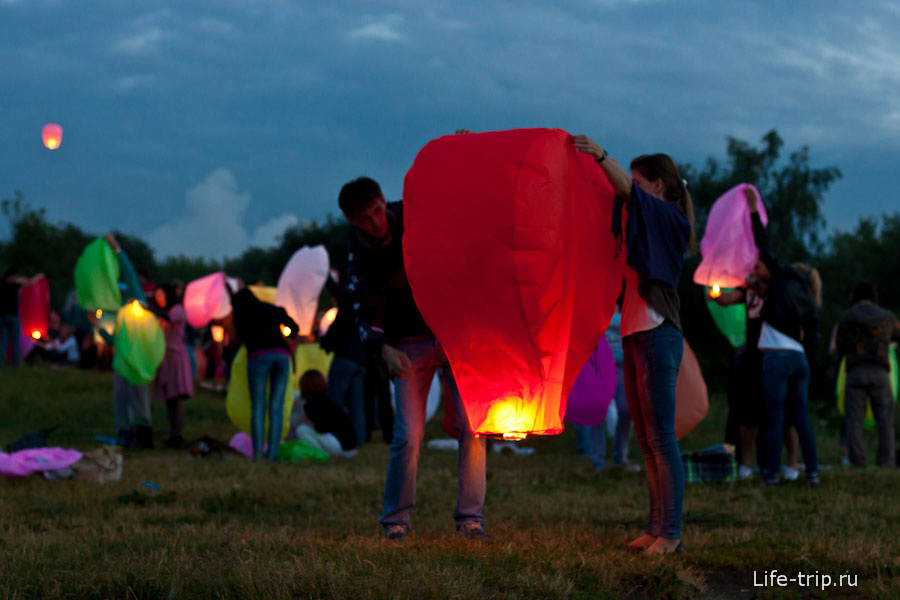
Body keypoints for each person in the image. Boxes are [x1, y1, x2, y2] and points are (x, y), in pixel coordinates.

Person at [339, 175, 488, 541]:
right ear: (352, 222)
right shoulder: (357, 253)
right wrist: (382, 347)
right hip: (407, 343)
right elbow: (360, 306)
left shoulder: (414, 214)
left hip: (450, 332)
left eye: (377, 212)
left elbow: (456, 206)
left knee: (474, 425)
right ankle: (396, 521)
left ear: (384, 201)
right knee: (408, 433)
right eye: (365, 219)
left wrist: (463, 158)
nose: (376, 223)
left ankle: (471, 518)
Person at [572, 136, 693, 555]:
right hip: (635, 336)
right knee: (646, 440)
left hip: (659, 334)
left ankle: (671, 533)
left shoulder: (669, 219)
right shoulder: (644, 220)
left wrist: (602, 157)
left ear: (657, 186)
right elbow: (617, 202)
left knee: (661, 439)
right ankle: (656, 528)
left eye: (641, 183)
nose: (633, 191)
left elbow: (625, 191)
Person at [745, 187, 820, 487]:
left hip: (776, 357)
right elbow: (813, 331)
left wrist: (753, 209)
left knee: (774, 415)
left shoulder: (781, 276)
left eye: (760, 267)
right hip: (800, 359)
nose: (757, 268)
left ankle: (771, 476)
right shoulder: (804, 296)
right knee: (801, 417)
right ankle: (812, 474)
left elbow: (763, 243)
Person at [835, 281, 900, 468]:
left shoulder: (847, 317)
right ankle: (886, 462)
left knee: (853, 420)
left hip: (856, 372)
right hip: (880, 373)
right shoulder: (887, 316)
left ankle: (857, 462)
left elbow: (839, 347)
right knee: (885, 421)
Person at [230, 286, 298, 461]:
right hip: (282, 356)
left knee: (258, 407)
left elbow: (238, 339)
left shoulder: (243, 314)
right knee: (276, 408)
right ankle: (273, 453)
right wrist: (285, 337)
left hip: (258, 357)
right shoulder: (272, 309)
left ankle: (259, 453)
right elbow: (294, 327)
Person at [321, 272, 370, 446]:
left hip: (345, 358)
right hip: (361, 360)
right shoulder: (368, 305)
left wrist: (323, 273)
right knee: (357, 404)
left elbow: (336, 291)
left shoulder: (349, 302)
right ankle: (358, 439)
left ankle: (333, 438)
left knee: (335, 400)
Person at [151, 283, 194, 448]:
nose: (159, 300)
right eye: (156, 298)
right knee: (169, 398)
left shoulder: (177, 310)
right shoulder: (167, 312)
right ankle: (172, 433)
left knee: (176, 397)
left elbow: (169, 319)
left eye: (161, 296)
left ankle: (177, 434)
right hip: (166, 357)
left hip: (176, 357)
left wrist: (151, 310)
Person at [291, 369, 358, 458]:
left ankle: (323, 453)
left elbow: (321, 428)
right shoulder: (328, 400)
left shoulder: (311, 405)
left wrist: (309, 423)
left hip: (340, 448)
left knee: (302, 430)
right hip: (350, 448)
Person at [1, 267, 45, 366]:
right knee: (15, 341)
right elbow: (30, 283)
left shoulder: (2, 284)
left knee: (3, 341)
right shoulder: (14, 285)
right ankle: (16, 363)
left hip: (3, 317)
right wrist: (38, 276)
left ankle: (2, 362)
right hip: (13, 317)